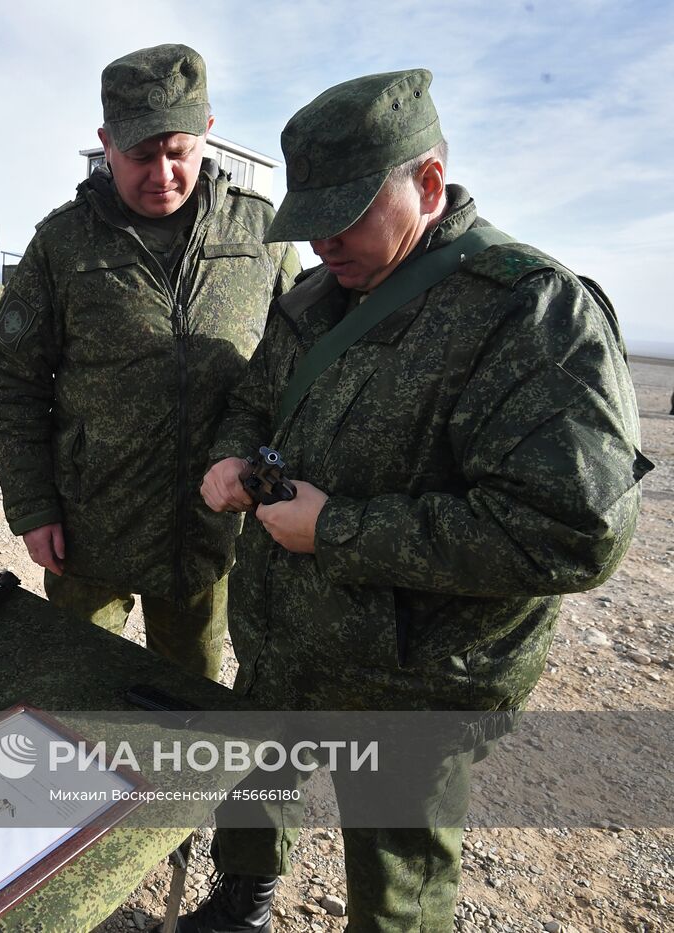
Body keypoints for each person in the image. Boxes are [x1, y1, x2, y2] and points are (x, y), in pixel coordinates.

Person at [191, 69, 649, 932]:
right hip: (285, 642)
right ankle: (242, 896)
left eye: (345, 214)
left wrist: (338, 528)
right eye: (311, 220)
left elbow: (571, 533)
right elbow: (256, 401)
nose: (323, 241)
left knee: (397, 880)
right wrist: (231, 455)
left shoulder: (532, 312)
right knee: (254, 795)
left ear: (428, 184)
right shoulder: (314, 300)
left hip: (412, 679)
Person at [0, 44, 298, 680]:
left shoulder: (260, 236)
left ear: (207, 133)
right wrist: (33, 506)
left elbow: (294, 371)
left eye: (177, 151)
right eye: (139, 155)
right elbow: (16, 383)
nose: (161, 174)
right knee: (76, 688)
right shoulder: (63, 242)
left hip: (208, 533)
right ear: (105, 142)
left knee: (189, 701)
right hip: (89, 527)